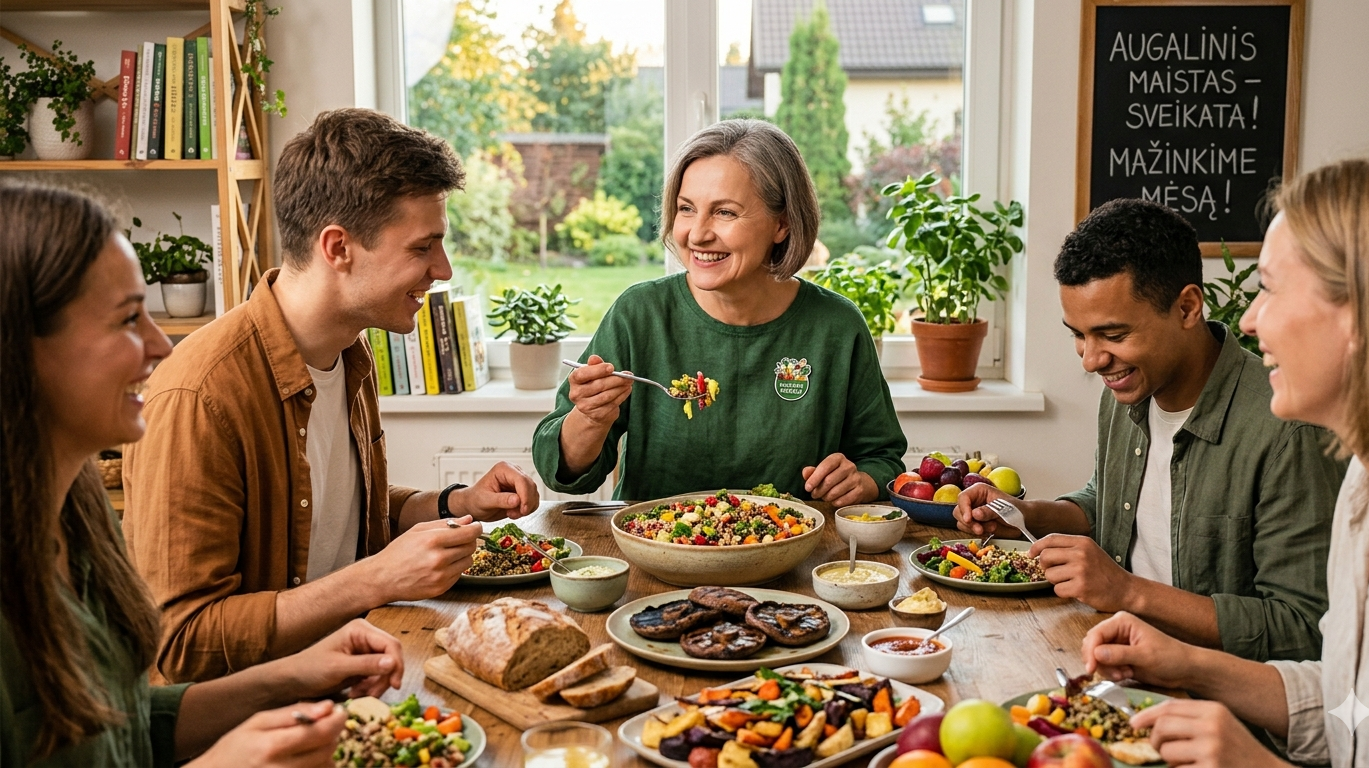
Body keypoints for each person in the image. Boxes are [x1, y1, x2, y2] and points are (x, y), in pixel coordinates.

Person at [123, 108, 540, 684]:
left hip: (354, 675)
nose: (442, 269)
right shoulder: (198, 396)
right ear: (338, 247)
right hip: (258, 726)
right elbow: (183, 642)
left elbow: (336, 514)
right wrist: (378, 578)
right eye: (423, 248)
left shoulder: (349, 353)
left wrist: (453, 503)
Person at [1, 182, 408, 767]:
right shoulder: (199, 393)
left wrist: (293, 677)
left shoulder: (78, 522)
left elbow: (130, 723)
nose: (159, 346)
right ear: (20, 349)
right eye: (126, 320)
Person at [1082, 152, 1369, 767]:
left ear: (1361, 315)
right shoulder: (1365, 488)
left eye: (1272, 289)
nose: (1250, 320)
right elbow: (1350, 705)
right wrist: (1190, 665)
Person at [956, 198, 1344, 661]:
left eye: (1113, 336)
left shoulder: (1286, 431)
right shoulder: (1126, 391)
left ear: (1187, 308)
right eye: (1078, 334)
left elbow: (1303, 628)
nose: (1091, 359)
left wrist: (1127, 591)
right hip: (1117, 654)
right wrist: (1027, 513)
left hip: (1215, 699)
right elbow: (1114, 504)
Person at [531, 119, 907, 504]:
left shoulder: (837, 327)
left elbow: (882, 457)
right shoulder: (639, 315)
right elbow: (560, 471)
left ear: (783, 223)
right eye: (686, 209)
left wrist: (860, 480)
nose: (697, 234)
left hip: (793, 553)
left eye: (725, 212)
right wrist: (591, 419)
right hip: (659, 554)